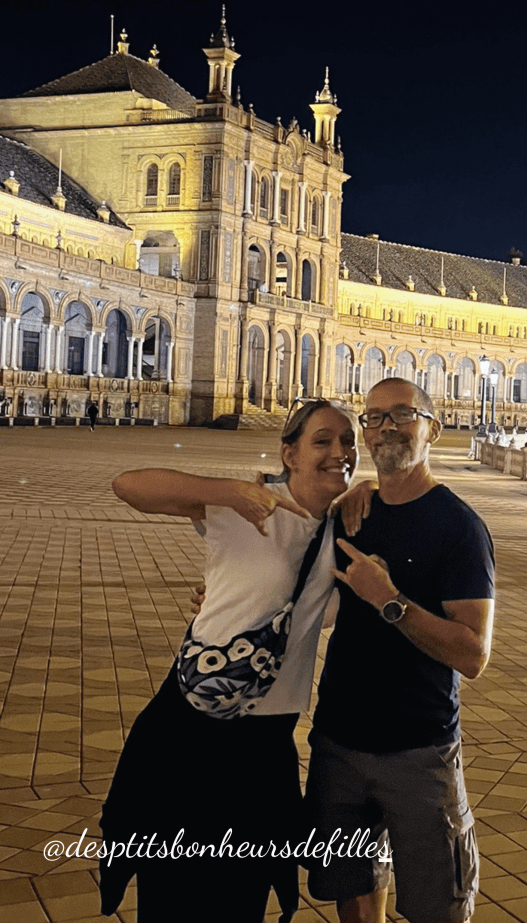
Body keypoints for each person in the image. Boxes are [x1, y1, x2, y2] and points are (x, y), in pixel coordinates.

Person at [101, 401, 364, 923]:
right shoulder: (247, 509)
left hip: (264, 748)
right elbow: (128, 486)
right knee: (173, 893)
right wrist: (227, 490)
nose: (340, 452)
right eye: (322, 441)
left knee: (243, 897)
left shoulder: (346, 533)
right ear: (288, 453)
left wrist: (368, 490)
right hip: (188, 732)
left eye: (348, 442)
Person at [306, 378, 495, 923]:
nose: (386, 425)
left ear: (433, 429)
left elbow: (473, 654)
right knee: (354, 892)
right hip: (339, 740)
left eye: (403, 414)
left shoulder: (460, 528)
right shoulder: (352, 513)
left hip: (418, 749)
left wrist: (391, 602)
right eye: (374, 417)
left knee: (438, 905)